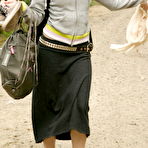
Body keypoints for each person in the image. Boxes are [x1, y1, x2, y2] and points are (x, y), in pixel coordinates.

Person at [0, 0, 147, 148]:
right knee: (47, 108)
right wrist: (20, 9)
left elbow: (114, 3)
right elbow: (36, 15)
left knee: (80, 106)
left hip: (80, 54)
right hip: (50, 52)